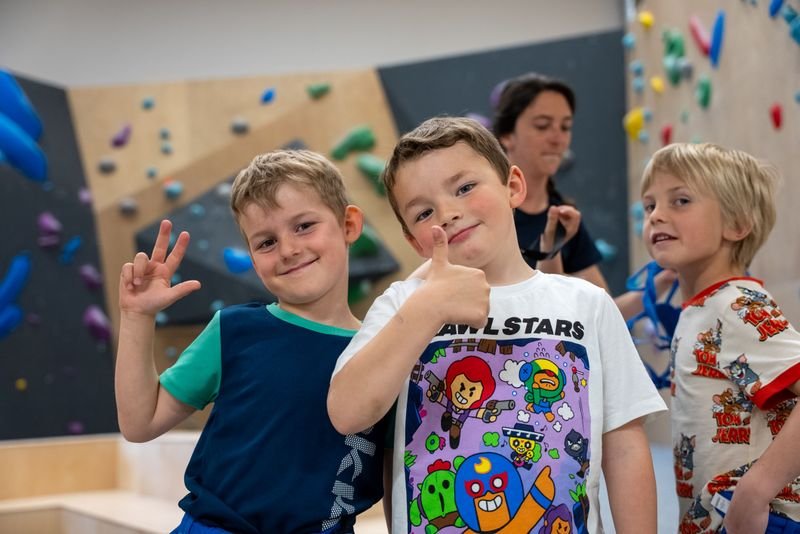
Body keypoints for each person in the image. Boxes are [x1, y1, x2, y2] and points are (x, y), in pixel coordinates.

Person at [328, 117, 666, 533]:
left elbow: (625, 444)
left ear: (513, 186)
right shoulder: (401, 305)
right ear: (414, 240)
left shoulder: (586, 305)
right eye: (424, 211)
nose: (449, 213)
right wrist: (426, 308)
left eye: (465, 187)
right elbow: (347, 412)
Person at [115, 150, 389, 534]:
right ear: (251, 256)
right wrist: (136, 317)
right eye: (265, 242)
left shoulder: (386, 352)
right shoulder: (234, 330)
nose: (289, 250)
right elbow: (140, 423)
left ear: (349, 224)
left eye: (304, 225)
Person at [640, 142, 800, 533]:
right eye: (649, 206)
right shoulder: (704, 307)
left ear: (736, 225)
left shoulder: (737, 305)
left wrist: (757, 489)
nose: (657, 215)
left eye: (680, 201)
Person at [493, 72, 675, 319]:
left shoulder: (565, 219)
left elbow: (605, 314)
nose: (558, 139)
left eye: (565, 127)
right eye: (542, 126)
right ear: (506, 135)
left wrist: (663, 282)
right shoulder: (488, 213)